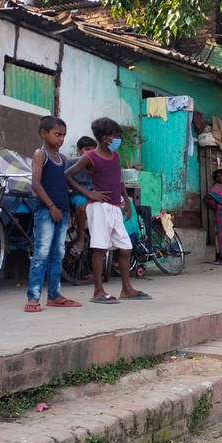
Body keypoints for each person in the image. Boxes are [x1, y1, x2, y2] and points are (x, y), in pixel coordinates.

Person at [66, 117, 151, 304]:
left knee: (126, 247)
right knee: (100, 249)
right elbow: (68, 175)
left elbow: (118, 179)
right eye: (116, 136)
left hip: (114, 207)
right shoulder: (90, 157)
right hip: (99, 207)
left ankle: (127, 289)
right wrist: (89, 193)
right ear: (106, 138)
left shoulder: (116, 157)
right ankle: (98, 291)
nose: (118, 140)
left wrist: (127, 202)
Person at [25, 116, 81, 312]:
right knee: (41, 253)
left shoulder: (63, 159)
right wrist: (51, 206)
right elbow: (36, 184)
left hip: (62, 211)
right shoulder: (41, 155)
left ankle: (55, 295)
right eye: (57, 135)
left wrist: (67, 210)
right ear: (43, 133)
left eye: (64, 135)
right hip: (46, 211)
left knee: (58, 254)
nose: (61, 139)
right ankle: (33, 298)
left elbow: (65, 185)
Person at [64, 135, 97, 255]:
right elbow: (66, 182)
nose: (91, 152)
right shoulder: (71, 163)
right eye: (87, 149)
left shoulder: (98, 163)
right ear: (79, 150)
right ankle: (80, 238)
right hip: (77, 194)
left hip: (95, 194)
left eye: (93, 149)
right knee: (82, 205)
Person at [205, 169, 222, 264]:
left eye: (221, 176)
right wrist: (215, 207)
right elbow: (206, 199)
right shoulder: (215, 188)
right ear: (215, 179)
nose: (220, 178)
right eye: (217, 177)